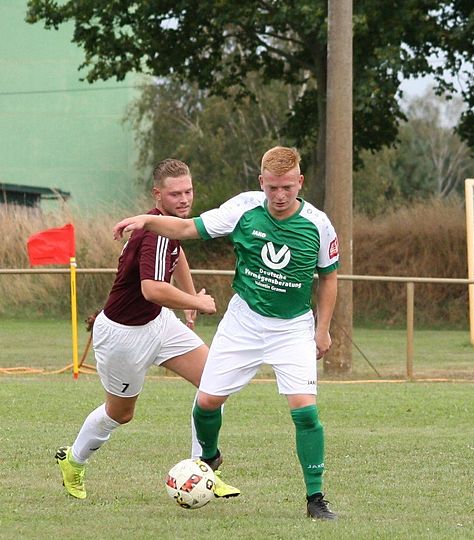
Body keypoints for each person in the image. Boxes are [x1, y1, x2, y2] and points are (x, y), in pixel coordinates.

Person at [112, 146, 340, 520]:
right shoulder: (243, 208)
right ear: (261, 182)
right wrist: (146, 221)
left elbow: (329, 278)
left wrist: (323, 329)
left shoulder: (319, 224)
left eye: (287, 187)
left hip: (292, 327)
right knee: (206, 403)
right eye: (272, 187)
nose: (279, 196)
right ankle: (210, 457)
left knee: (306, 413)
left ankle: (315, 499)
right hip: (243, 322)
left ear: (300, 182)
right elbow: (188, 228)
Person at [56, 159, 239, 501]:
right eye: (175, 194)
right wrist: (197, 302)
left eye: (188, 191)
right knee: (120, 414)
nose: (184, 199)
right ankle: (74, 460)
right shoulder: (153, 234)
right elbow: (152, 289)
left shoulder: (168, 225)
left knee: (215, 384)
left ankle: (203, 469)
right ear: (158, 194)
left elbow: (178, 254)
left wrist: (188, 297)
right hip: (123, 336)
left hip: (158, 323)